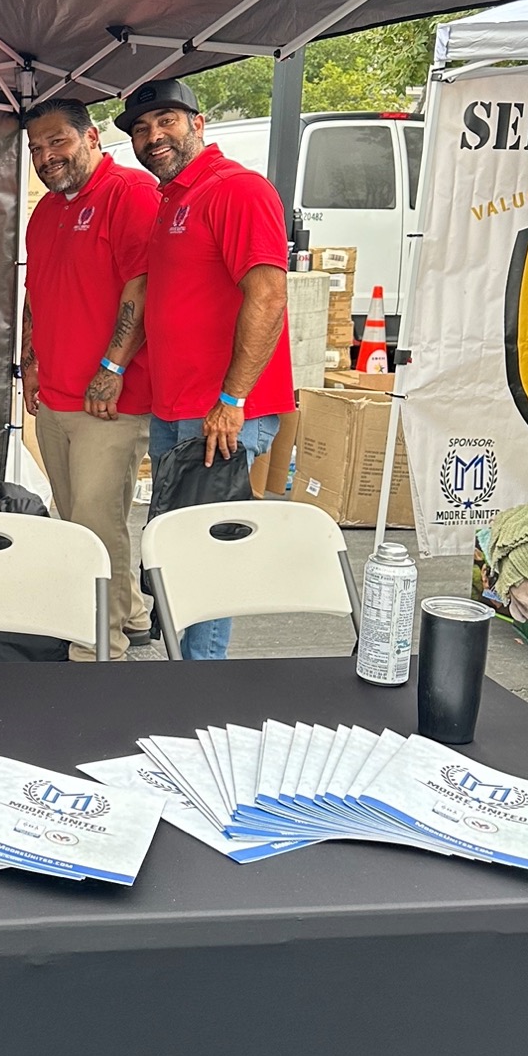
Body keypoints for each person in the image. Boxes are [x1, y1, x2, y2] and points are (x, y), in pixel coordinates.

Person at [117, 77, 293, 661]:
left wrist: (234, 399)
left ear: (199, 123)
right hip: (179, 408)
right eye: (141, 129)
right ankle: (185, 677)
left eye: (166, 120)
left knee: (210, 557)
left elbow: (267, 296)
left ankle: (200, 686)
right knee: (183, 550)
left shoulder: (236, 190)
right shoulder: (173, 199)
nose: (152, 136)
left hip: (219, 413)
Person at [22, 97, 160, 660]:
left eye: (58, 142)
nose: (47, 157)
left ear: (93, 136)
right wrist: (31, 362)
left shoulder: (130, 194)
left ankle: (97, 645)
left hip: (111, 400)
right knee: (77, 514)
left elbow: (144, 285)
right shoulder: (45, 212)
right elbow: (37, 293)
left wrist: (112, 369)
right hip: (55, 393)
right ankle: (132, 611)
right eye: (36, 149)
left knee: (95, 523)